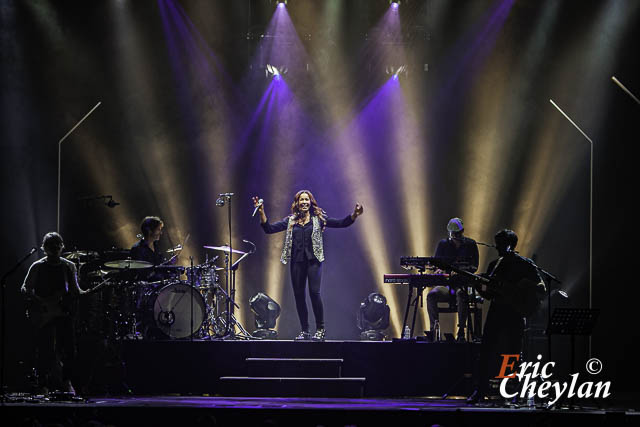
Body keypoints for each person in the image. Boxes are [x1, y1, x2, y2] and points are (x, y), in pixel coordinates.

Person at [254, 190, 363, 341]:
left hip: (314, 261)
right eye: (301, 200)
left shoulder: (318, 219)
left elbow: (341, 223)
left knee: (314, 293)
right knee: (299, 297)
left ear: (311, 202)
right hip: (297, 262)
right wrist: (261, 212)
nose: (304, 202)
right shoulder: (291, 221)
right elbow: (269, 229)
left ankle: (320, 329)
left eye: (307, 200)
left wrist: (355, 215)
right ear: (297, 203)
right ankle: (305, 331)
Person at [467, 229, 545, 404]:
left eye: (500, 244)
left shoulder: (525, 264)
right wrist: (478, 286)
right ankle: (480, 390)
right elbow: (489, 295)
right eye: (497, 244)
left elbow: (542, 288)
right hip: (496, 311)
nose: (497, 248)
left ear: (510, 245)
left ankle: (509, 390)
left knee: (513, 354)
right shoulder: (495, 265)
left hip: (515, 313)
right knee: (486, 350)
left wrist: (525, 285)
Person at [21, 232, 87, 395]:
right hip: (44, 314)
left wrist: (87, 292)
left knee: (70, 350)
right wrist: (40, 302)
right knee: (45, 350)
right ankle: (43, 383)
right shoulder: (37, 266)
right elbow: (25, 288)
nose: (55, 247)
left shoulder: (69, 266)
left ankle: (66, 382)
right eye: (51, 245)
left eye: (58, 244)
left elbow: (75, 290)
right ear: (44, 248)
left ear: (62, 246)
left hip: (63, 313)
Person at [426, 218, 479, 341]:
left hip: (462, 284)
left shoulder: (471, 244)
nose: (455, 236)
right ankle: (434, 329)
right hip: (446, 285)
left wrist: (461, 271)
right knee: (431, 296)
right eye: (452, 234)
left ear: (462, 231)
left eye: (457, 233)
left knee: (462, 295)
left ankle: (461, 331)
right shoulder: (443, 244)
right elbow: (436, 265)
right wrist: (438, 271)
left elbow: (474, 266)